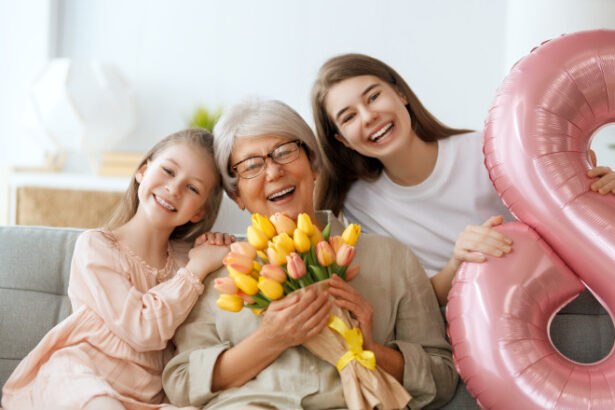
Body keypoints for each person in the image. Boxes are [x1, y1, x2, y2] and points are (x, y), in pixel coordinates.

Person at [162, 99, 457, 409]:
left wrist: (367, 348)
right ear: (237, 196)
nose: (273, 171)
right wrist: (270, 339)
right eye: (251, 165)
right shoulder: (217, 272)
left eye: (284, 152)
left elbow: (443, 377)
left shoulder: (392, 258)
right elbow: (181, 382)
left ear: (313, 166)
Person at [311, 53, 615, 306]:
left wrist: (598, 197)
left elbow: (567, 229)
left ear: (400, 94)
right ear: (343, 140)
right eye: (349, 117)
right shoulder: (360, 205)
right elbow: (420, 300)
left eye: (374, 97)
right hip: (473, 327)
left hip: (560, 297)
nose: (368, 117)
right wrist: (457, 262)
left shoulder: (490, 149)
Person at [2, 129, 234, 410]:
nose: (174, 189)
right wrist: (197, 269)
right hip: (81, 377)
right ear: (143, 171)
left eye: (193, 188)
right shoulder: (97, 247)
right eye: (168, 171)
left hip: (148, 396)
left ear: (199, 212)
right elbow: (143, 328)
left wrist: (218, 253)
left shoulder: (191, 259)